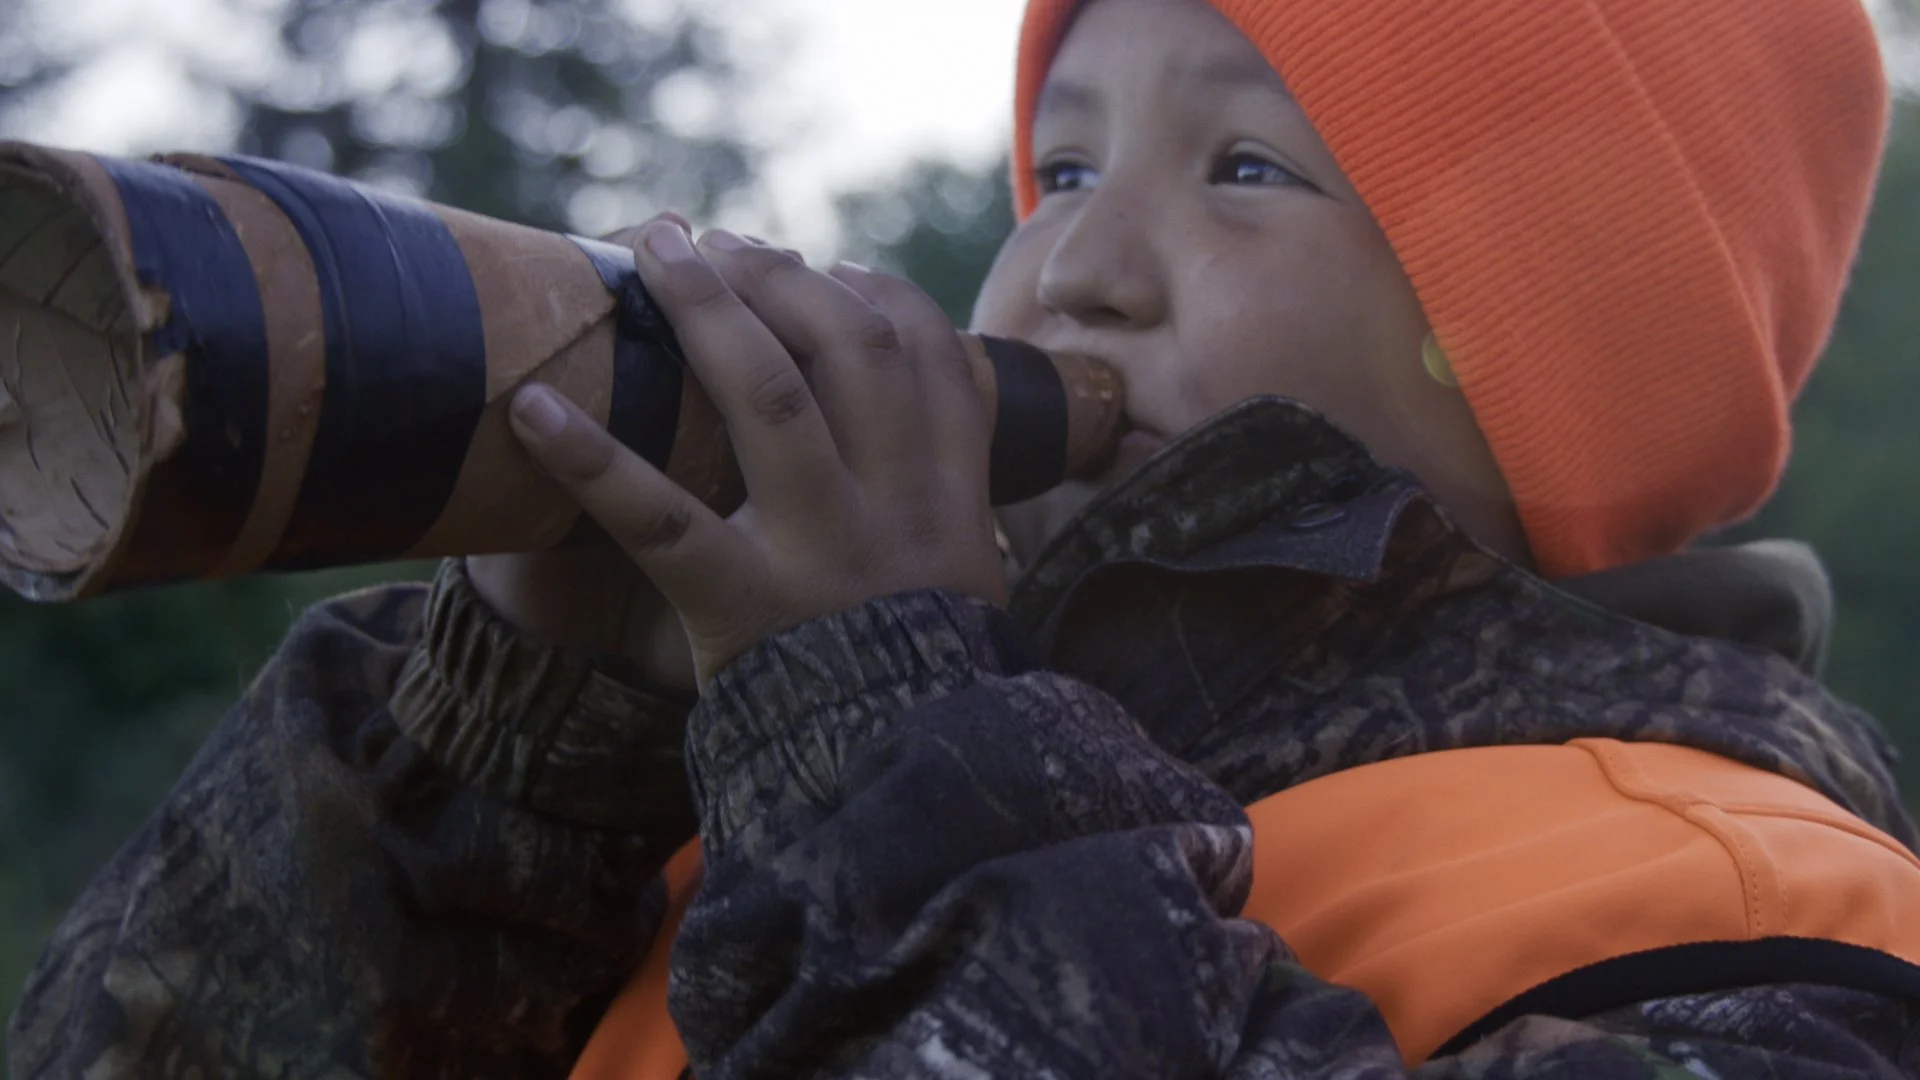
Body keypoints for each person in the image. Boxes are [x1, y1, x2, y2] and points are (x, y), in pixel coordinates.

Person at [10, 0, 1919, 1075]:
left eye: (1246, 169)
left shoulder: (1749, 904)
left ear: (1546, 347)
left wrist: (884, 740)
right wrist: (504, 754)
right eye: (1064, 165)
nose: (1072, 266)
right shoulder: (759, 782)